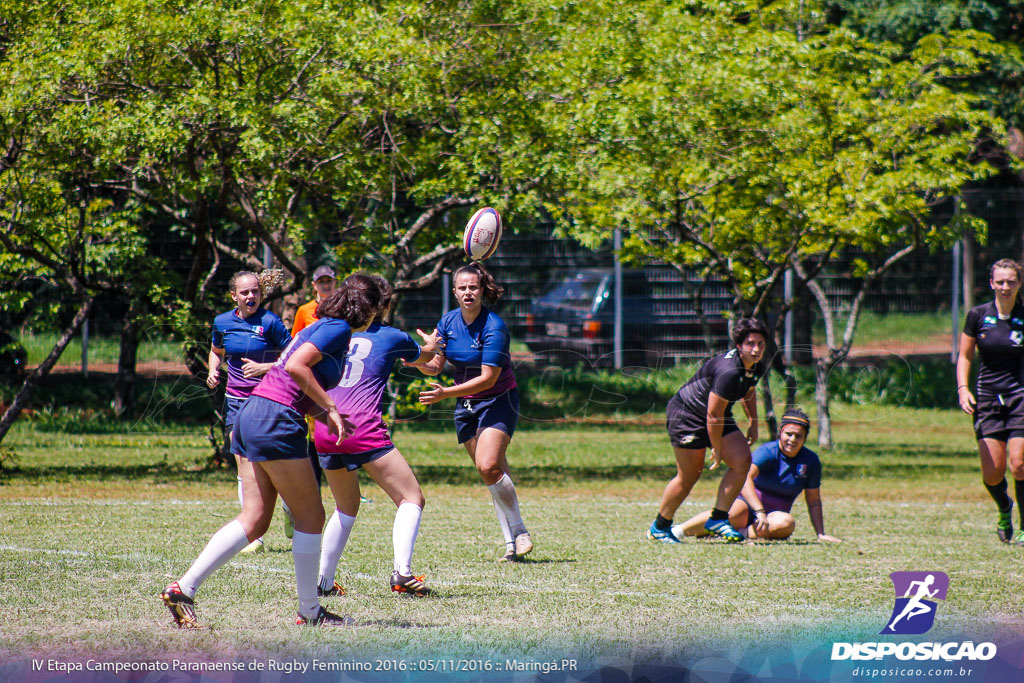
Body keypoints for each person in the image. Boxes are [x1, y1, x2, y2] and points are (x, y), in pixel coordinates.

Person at [161, 276, 382, 628]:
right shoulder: (337, 329)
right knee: (310, 518)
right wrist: (332, 408)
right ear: (367, 308)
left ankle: (182, 589)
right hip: (275, 419)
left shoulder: (322, 326)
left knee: (255, 519)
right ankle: (310, 613)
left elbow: (291, 378)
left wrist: (326, 412)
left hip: (254, 413)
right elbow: (295, 368)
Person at [314, 275, 438, 597]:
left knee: (346, 505)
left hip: (326, 428)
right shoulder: (391, 335)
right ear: (382, 304)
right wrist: (433, 347)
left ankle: (324, 583)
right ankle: (403, 574)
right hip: (361, 428)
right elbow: (429, 362)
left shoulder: (332, 332)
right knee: (411, 498)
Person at [406, 262, 533, 562]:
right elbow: (436, 365)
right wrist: (414, 358)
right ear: (454, 292)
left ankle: (520, 530)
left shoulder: (494, 327)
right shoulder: (448, 322)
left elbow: (488, 377)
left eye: (473, 287)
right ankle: (510, 544)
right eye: (462, 288)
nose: (467, 293)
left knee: (489, 466)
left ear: (482, 290)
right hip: (466, 405)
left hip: (498, 399)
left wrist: (445, 393)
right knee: (491, 471)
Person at [647, 317, 768, 544]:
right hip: (687, 415)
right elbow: (712, 415)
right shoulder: (728, 370)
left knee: (742, 461)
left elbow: (749, 390)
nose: (756, 349)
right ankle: (659, 527)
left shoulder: (756, 366)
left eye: (761, 344)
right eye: (751, 343)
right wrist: (718, 448)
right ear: (739, 345)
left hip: (718, 414)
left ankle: (718, 518)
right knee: (690, 475)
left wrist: (754, 421)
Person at [207, 270, 291, 554]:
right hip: (236, 401)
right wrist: (212, 370)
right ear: (234, 296)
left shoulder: (270, 322)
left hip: (269, 399)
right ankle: (253, 535)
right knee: (242, 461)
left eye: (255, 291)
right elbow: (216, 350)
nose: (251, 296)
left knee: (275, 460)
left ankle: (291, 507)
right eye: (245, 292)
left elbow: (294, 357)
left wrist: (264, 368)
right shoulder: (222, 322)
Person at [673, 409, 842, 542]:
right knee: (731, 514)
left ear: (805, 439)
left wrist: (820, 533)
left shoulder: (811, 461)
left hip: (771, 517)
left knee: (786, 524)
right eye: (788, 434)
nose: (792, 439)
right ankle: (678, 530)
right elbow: (744, 477)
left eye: (798, 436)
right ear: (780, 433)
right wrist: (759, 510)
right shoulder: (768, 452)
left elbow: (813, 501)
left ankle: (740, 533)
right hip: (747, 505)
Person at [957, 257, 1024, 545]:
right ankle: (1004, 507)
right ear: (991, 283)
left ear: (1019, 283)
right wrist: (963, 388)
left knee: (1020, 464)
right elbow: (965, 356)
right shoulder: (977, 315)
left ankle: (1023, 525)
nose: (1005, 286)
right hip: (987, 400)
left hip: (1020, 397)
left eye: (1011, 281)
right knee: (993, 473)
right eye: (1000, 281)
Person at [292, 264, 337, 336]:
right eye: (321, 282)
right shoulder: (304, 310)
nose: (326, 285)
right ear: (314, 285)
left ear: (335, 282)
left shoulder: (342, 307)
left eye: (329, 281)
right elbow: (295, 339)